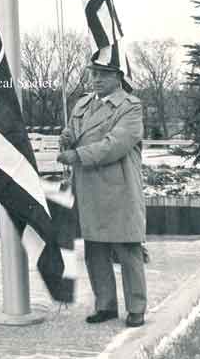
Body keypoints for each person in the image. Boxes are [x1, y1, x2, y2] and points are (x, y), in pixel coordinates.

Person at [57, 61, 147, 328]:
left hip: (119, 188)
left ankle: (136, 308)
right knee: (95, 248)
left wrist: (76, 154)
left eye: (103, 74)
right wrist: (66, 137)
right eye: (94, 74)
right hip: (88, 187)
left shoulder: (130, 106)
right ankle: (105, 305)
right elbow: (75, 134)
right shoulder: (82, 105)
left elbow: (114, 145)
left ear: (118, 77)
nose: (96, 79)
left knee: (128, 248)